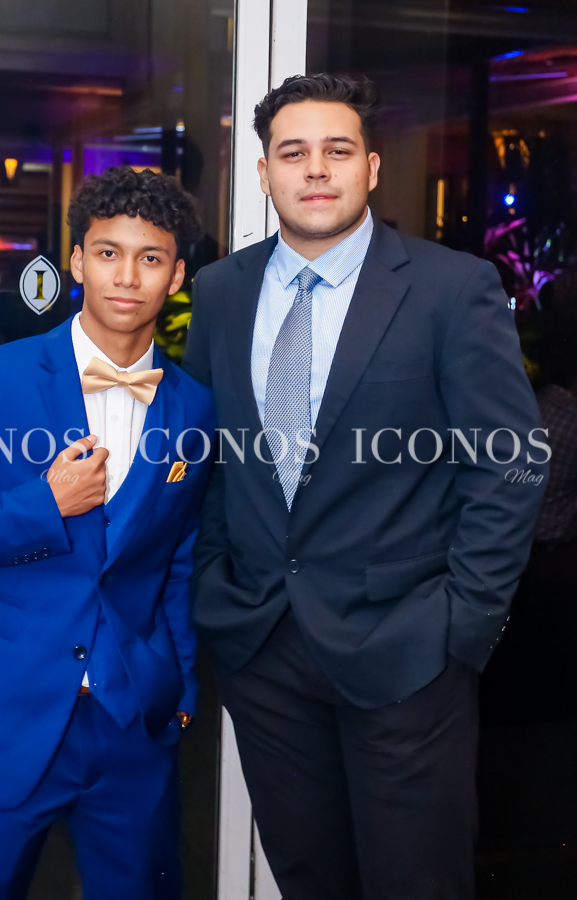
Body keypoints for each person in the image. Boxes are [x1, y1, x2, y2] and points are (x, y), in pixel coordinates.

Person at [183, 73, 546, 900]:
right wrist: (214, 583)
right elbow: (208, 456)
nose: (315, 169)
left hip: (407, 653)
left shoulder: (450, 288)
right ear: (264, 172)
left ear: (371, 167)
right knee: (307, 879)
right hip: (261, 646)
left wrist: (462, 624)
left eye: (337, 150)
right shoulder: (220, 291)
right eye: (293, 153)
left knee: (414, 883)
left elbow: (510, 462)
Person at [0, 166, 213, 900]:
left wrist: (182, 682)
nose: (126, 276)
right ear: (76, 261)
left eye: (150, 257)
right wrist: (43, 504)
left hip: (132, 726)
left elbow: (177, 557)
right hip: (3, 717)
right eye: (107, 252)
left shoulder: (193, 406)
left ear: (175, 275)